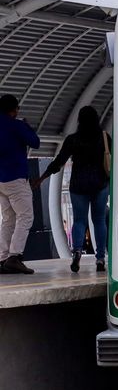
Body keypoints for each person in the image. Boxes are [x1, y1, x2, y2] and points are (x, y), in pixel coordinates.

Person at [32, 106, 112, 272]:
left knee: (79, 220)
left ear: (79, 121)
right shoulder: (104, 137)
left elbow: (59, 161)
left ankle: (76, 251)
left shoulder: (73, 139)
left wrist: (42, 178)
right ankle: (100, 259)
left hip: (79, 185)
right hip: (100, 184)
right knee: (98, 221)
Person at [0, 94, 40, 275]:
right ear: (13, 110)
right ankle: (14, 257)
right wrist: (26, 126)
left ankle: (2, 258)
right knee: (25, 216)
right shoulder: (16, 125)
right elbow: (35, 142)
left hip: (0, 181)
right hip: (15, 177)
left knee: (8, 218)